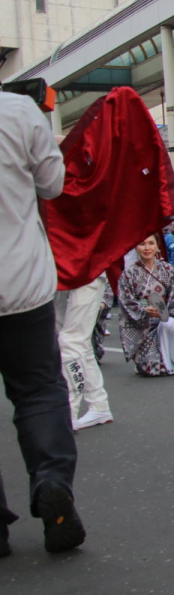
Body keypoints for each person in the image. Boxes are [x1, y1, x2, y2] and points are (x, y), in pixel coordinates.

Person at [0, 90, 86, 556]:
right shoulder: (17, 109)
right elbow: (53, 184)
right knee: (38, 391)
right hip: (18, 280)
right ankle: (51, 482)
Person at [118, 236, 174, 376]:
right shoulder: (128, 274)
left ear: (158, 247)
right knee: (152, 369)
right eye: (142, 244)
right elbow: (125, 301)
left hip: (166, 315)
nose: (147, 248)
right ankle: (145, 361)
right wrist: (144, 310)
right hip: (144, 323)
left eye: (151, 243)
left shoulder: (168, 269)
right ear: (135, 247)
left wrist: (170, 310)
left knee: (169, 323)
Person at [55, 275, 114, 431]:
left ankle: (68, 414)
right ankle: (99, 404)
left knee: (71, 341)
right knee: (78, 342)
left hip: (85, 270)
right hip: (55, 275)